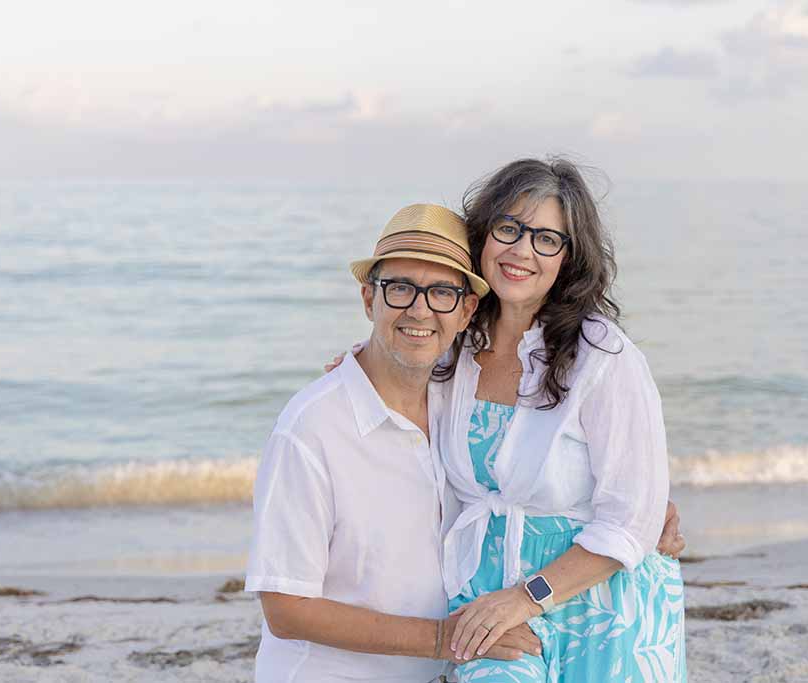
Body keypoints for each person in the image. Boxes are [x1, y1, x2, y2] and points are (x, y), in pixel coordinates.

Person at [246, 204, 545, 683]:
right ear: (369, 299)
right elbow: (285, 607)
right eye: (400, 288)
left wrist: (644, 509)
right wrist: (441, 639)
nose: (420, 309)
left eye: (443, 292)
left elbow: (539, 478)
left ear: (467, 311)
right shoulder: (311, 429)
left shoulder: (461, 412)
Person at [437, 158, 687, 682]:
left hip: (597, 604)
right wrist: (356, 367)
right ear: (483, 236)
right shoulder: (452, 344)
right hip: (483, 595)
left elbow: (631, 520)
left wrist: (526, 597)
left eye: (547, 239)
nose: (522, 250)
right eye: (509, 228)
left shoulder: (604, 357)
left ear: (569, 258)